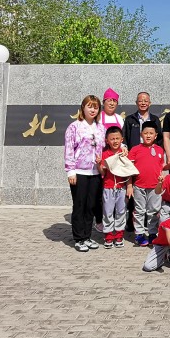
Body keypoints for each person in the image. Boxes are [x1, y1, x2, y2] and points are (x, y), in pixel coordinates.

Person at [64, 95, 105, 253]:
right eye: (90, 106)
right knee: (79, 205)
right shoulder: (74, 127)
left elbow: (106, 146)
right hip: (79, 172)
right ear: (83, 108)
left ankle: (87, 236)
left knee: (91, 205)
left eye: (96, 107)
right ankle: (78, 238)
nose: (93, 110)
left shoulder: (100, 128)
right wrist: (70, 171)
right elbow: (69, 149)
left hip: (95, 172)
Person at [129, 121, 165, 247]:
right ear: (141, 134)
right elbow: (129, 170)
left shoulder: (160, 150)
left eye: (151, 133)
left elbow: (161, 167)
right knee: (139, 210)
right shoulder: (135, 150)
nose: (148, 136)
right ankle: (139, 234)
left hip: (155, 187)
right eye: (145, 133)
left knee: (153, 211)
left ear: (156, 135)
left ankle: (152, 233)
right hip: (139, 186)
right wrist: (129, 185)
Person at [98, 125, 134, 248]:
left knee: (121, 211)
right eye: (112, 139)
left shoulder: (124, 154)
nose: (115, 141)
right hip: (108, 188)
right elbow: (102, 173)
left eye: (117, 138)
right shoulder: (104, 154)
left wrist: (129, 187)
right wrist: (99, 164)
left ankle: (119, 235)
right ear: (107, 140)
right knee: (108, 212)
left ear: (122, 139)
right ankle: (108, 236)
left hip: (121, 188)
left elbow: (128, 172)